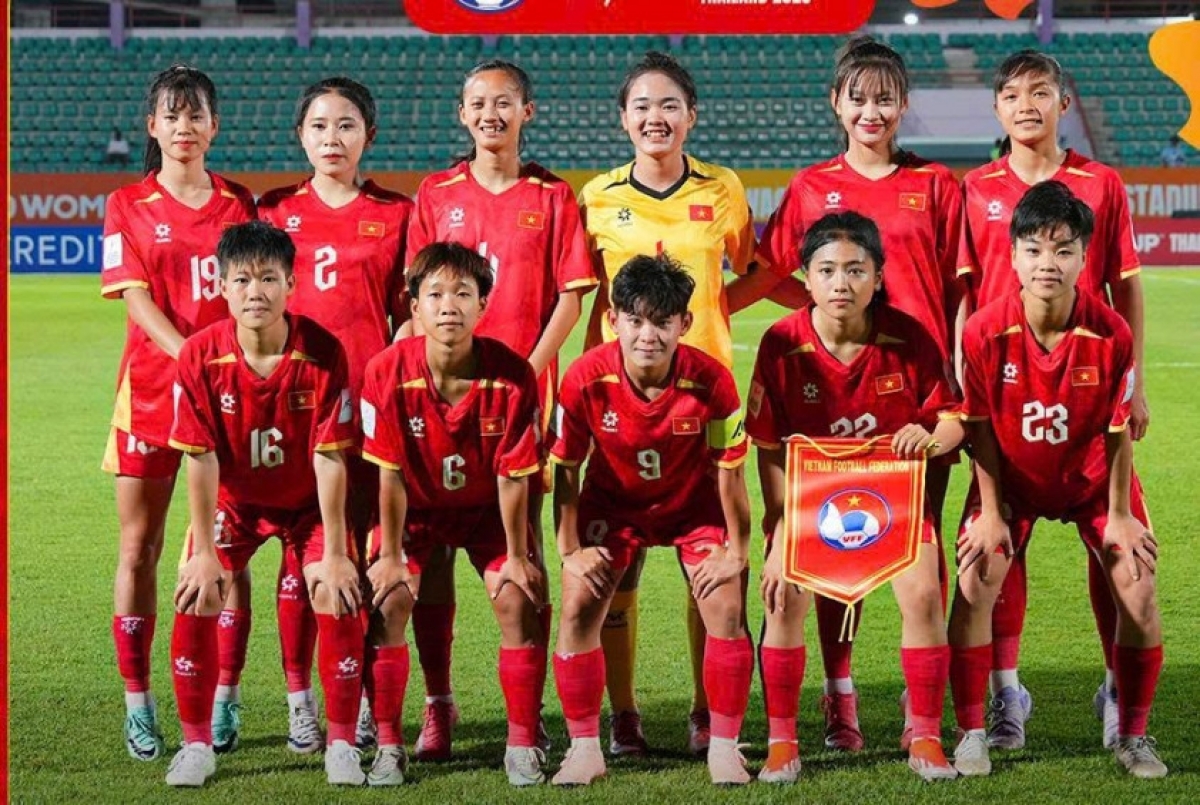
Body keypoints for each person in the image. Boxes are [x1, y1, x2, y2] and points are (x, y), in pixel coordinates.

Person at [577, 50, 798, 758]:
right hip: (621, 397)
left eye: (670, 105)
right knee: (621, 566)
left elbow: (755, 267)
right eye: (642, 106)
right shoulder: (598, 196)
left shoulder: (724, 188)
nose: (656, 118)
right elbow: (593, 302)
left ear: (691, 116)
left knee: (711, 563)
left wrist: (710, 314)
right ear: (623, 119)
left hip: (705, 399)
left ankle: (709, 710)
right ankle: (625, 715)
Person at [757, 35, 964, 752]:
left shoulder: (936, 183)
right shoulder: (812, 186)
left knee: (916, 554)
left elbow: (961, 285)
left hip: (915, 389)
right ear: (836, 103)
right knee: (831, 548)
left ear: (903, 105)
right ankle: (839, 694)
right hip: (834, 391)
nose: (870, 110)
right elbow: (779, 269)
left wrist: (953, 369)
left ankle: (925, 711)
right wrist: (827, 315)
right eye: (858, 97)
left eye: (884, 97)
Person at [402, 58, 596, 760]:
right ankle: (438, 706)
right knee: (433, 560)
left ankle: (529, 711)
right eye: (478, 103)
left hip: (516, 407)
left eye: (504, 102)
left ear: (527, 111)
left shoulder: (552, 197)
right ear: (461, 114)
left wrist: (522, 376)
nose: (491, 113)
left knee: (523, 555)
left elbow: (572, 297)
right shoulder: (436, 193)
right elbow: (418, 296)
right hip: (439, 400)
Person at [958, 49, 1149, 751]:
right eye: (1014, 94)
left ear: (1065, 103)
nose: (1028, 105)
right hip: (1003, 392)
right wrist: (962, 388)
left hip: (1087, 388)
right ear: (999, 108)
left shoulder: (1103, 184)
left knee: (1118, 544)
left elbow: (1125, 289)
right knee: (997, 545)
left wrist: (1140, 384)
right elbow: (965, 294)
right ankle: (1007, 693)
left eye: (1043, 92)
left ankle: (1115, 687)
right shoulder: (975, 187)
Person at [747, 211, 965, 783]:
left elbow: (953, 418)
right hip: (807, 503)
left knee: (922, 591)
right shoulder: (781, 343)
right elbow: (767, 446)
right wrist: (776, 534)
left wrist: (931, 436)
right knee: (782, 595)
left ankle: (925, 734)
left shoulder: (909, 337)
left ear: (877, 275)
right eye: (826, 270)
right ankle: (782, 743)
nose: (840, 283)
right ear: (806, 277)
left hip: (891, 500)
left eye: (855, 270)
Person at [235, 76, 412, 756]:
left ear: (369, 135)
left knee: (361, 557)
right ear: (300, 135)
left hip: (368, 412)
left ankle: (362, 697)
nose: (331, 138)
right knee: (296, 560)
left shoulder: (397, 214)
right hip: (290, 409)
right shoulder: (272, 210)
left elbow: (407, 312)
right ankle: (300, 703)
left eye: (345, 125)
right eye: (318, 126)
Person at [164, 220, 365, 787]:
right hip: (236, 504)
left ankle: (342, 743)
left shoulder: (324, 352)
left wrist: (336, 549)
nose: (257, 292)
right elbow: (198, 458)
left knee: (337, 589)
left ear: (292, 283)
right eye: (243, 279)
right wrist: (203, 549)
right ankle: (197, 744)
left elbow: (330, 457)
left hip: (307, 508)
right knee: (196, 589)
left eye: (270, 279)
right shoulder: (200, 356)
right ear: (222, 287)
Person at [549, 253, 755, 787]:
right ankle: (587, 747)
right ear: (612, 319)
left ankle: (723, 745)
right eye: (635, 320)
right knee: (576, 605)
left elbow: (731, 474)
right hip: (612, 509)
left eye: (663, 322)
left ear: (684, 324)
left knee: (727, 603)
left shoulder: (713, 381)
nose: (648, 335)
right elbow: (566, 471)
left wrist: (737, 551)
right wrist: (570, 550)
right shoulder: (583, 379)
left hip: (693, 507)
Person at [100, 63, 255, 763]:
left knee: (222, 551)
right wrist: (193, 354)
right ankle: (139, 700)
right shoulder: (126, 203)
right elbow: (136, 299)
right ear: (152, 125)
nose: (185, 127)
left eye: (197, 115)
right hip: (152, 396)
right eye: (173, 114)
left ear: (214, 126)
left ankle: (225, 691)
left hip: (225, 403)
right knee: (141, 548)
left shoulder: (240, 204)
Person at [358, 241, 549, 787]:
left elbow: (515, 477)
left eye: (463, 293)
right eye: (434, 294)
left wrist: (516, 557)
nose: (449, 306)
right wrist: (390, 556)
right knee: (389, 598)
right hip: (414, 512)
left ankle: (521, 742)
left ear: (483, 304)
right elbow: (388, 474)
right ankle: (393, 745)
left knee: (518, 597)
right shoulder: (386, 372)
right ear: (412, 306)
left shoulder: (512, 375)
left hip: (486, 512)